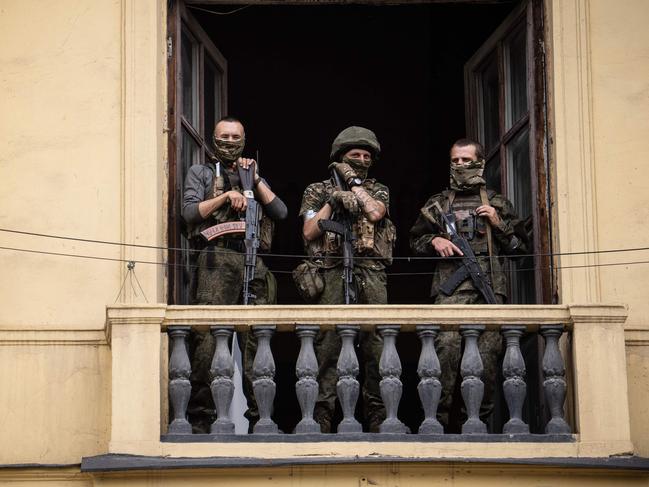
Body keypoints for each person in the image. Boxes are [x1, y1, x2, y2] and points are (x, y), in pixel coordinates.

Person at [409, 138, 527, 432]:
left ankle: (474, 427)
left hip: (487, 296)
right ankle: (439, 425)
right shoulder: (437, 204)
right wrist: (434, 240)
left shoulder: (497, 203)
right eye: (455, 161)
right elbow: (414, 242)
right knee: (443, 359)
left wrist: (498, 223)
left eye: (466, 160)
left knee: (484, 366)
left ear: (480, 163)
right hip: (449, 297)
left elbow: (520, 250)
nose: (460, 165)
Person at [182, 116, 287, 433]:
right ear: (214, 140)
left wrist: (252, 179)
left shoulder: (252, 173)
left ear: (244, 139)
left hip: (252, 259)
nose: (230, 141)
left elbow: (280, 212)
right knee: (209, 340)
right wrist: (227, 196)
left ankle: (261, 418)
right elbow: (188, 213)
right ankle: (202, 417)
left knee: (258, 339)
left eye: (235, 136)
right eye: (224, 136)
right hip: (217, 258)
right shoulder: (201, 173)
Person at [298, 126, 396, 433]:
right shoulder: (316, 190)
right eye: (355, 155)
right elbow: (309, 231)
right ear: (340, 157)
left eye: (368, 156)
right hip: (330, 275)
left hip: (370, 275)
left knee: (376, 347)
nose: (363, 159)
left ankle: (379, 415)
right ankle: (322, 415)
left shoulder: (377, 189)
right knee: (326, 346)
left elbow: (376, 213)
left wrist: (354, 185)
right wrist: (334, 199)